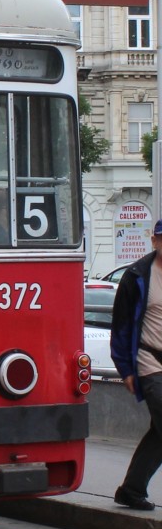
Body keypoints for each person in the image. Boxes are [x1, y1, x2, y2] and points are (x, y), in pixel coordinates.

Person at [109, 218, 162, 511]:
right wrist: (125, 369)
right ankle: (131, 489)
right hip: (149, 359)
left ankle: (131, 489)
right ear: (154, 241)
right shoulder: (137, 275)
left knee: (160, 431)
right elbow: (120, 326)